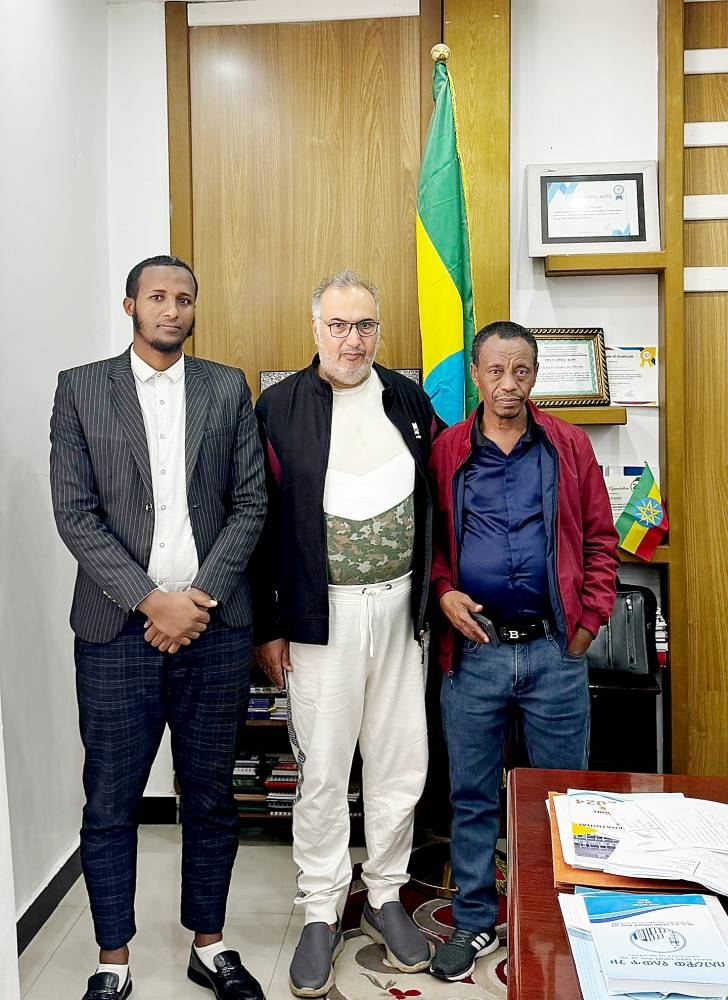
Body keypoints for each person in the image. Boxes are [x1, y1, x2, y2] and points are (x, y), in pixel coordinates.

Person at [50, 255, 268, 1000]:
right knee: (111, 800)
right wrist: (152, 600)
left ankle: (209, 945)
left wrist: (197, 598)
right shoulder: (81, 389)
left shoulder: (226, 387)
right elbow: (75, 514)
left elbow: (250, 504)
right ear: (130, 306)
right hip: (116, 631)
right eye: (157, 297)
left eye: (184, 298)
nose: (171, 309)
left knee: (209, 796)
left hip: (214, 629)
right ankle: (112, 960)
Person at [252, 268, 443, 998]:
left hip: (401, 614)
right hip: (318, 618)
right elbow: (257, 521)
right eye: (338, 325)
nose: (353, 340)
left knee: (400, 761)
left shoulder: (408, 399)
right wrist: (269, 626)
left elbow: (440, 496)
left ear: (378, 331)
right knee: (325, 769)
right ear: (316, 329)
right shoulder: (278, 408)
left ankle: (386, 894)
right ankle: (320, 909)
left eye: (365, 325)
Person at [428, 320, 618, 982]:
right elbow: (429, 544)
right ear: (476, 376)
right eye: (496, 371)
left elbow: (600, 538)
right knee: (472, 796)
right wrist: (443, 592)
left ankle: (555, 916)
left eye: (521, 372)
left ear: (535, 375)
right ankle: (475, 919)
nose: (508, 385)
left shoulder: (568, 445)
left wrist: (586, 626)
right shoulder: (447, 450)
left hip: (552, 653)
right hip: (474, 653)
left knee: (563, 797)